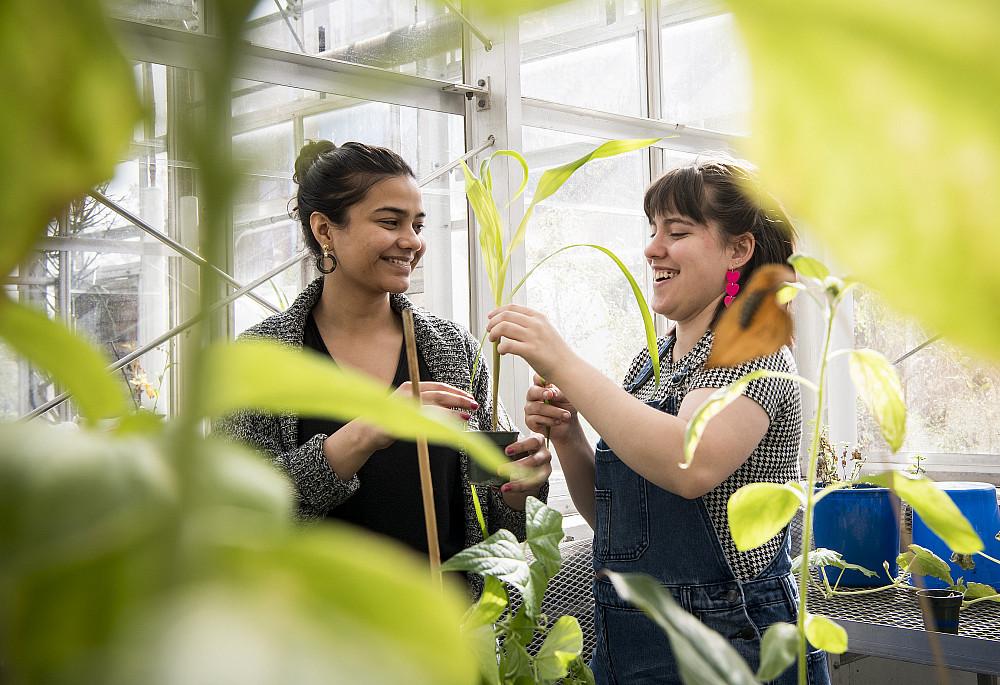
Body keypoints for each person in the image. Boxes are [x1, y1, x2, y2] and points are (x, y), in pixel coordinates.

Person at [486, 160, 831, 684]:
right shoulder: (653, 364)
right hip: (634, 637)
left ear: (738, 250)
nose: (652, 248)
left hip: (732, 642)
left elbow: (687, 463)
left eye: (678, 232)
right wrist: (570, 435)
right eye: (653, 231)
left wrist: (566, 365)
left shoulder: (753, 346)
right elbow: (616, 524)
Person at [220, 140, 550, 569]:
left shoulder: (452, 348)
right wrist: (363, 433)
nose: (411, 242)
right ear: (325, 231)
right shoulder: (261, 359)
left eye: (417, 225)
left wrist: (521, 488)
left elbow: (497, 524)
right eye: (390, 221)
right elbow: (237, 517)